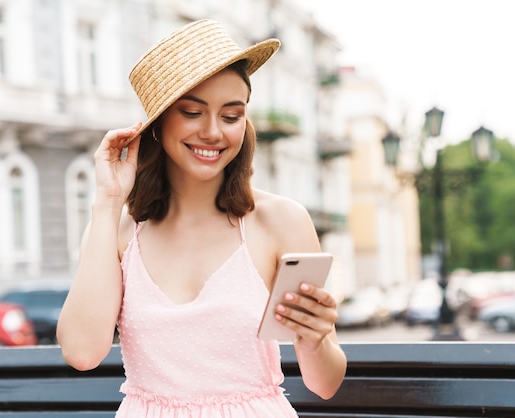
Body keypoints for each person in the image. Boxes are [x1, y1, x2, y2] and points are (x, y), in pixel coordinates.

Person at [56, 19, 347, 417]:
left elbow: (324, 384)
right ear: (158, 123)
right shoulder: (118, 229)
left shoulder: (280, 220)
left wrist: (314, 342)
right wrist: (107, 201)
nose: (213, 132)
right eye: (192, 112)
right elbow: (81, 352)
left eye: (231, 116)